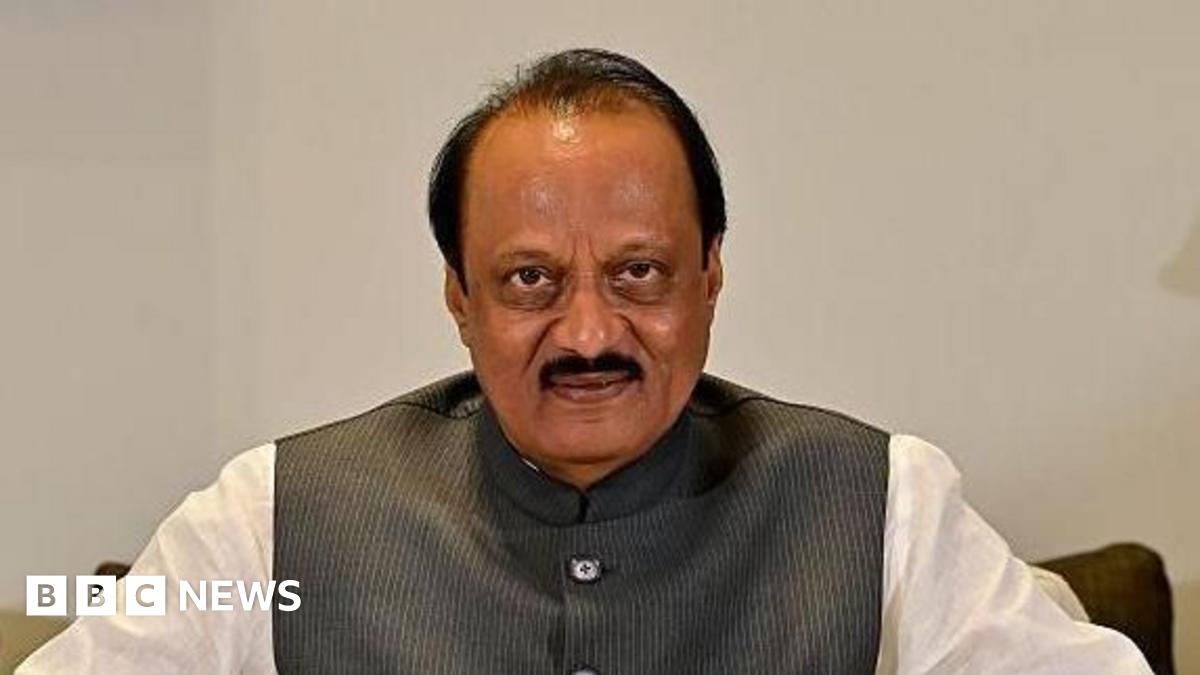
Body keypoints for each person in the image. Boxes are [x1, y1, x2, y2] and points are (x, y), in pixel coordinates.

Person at [19, 48, 1151, 674]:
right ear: (457, 299)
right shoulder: (270, 521)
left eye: (640, 275)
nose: (591, 334)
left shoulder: (882, 501)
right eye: (529, 282)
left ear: (711, 278)